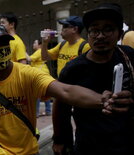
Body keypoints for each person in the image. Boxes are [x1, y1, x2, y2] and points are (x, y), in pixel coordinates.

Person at [0, 24, 133, 155]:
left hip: (27, 152)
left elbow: (66, 91)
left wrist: (103, 100)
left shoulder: (26, 74)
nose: (1, 50)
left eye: (4, 44)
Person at [52, 3, 134, 155]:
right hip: (89, 144)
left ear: (119, 33)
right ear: (88, 34)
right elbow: (61, 107)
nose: (100, 36)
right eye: (94, 30)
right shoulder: (73, 69)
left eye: (108, 29)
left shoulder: (128, 56)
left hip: (125, 141)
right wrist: (60, 139)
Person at [30, 39, 51, 117]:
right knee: (45, 92)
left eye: (34, 43)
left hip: (40, 74)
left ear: (39, 45)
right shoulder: (39, 51)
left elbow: (29, 59)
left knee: (37, 93)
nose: (33, 44)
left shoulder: (39, 51)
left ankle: (36, 113)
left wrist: (22, 52)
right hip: (44, 73)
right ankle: (48, 111)